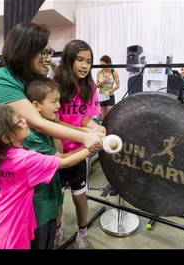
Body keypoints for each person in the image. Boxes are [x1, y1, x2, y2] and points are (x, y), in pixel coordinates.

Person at [0, 22, 104, 249]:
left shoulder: (33, 80)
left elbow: (54, 121)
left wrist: (88, 130)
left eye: (50, 52)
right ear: (25, 50)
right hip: (18, 183)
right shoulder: (1, 79)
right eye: (44, 52)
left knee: (45, 229)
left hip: (43, 169)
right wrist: (86, 140)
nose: (48, 58)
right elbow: (39, 122)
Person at [0, 104, 97, 249]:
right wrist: (91, 147)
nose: (25, 120)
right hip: (13, 235)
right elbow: (64, 162)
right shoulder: (24, 160)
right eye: (19, 120)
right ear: (6, 138)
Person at [54, 39, 105, 249]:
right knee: (57, 197)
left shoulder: (90, 87)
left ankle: (82, 232)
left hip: (79, 153)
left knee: (79, 196)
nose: (85, 65)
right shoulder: (54, 83)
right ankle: (57, 230)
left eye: (89, 61)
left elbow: (85, 119)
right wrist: (86, 133)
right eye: (80, 60)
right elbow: (54, 122)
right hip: (57, 151)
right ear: (68, 60)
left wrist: (96, 128)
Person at [24, 77, 72, 249]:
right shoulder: (31, 136)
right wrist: (91, 147)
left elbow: (60, 148)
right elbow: (61, 159)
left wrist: (52, 128)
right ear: (36, 105)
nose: (59, 106)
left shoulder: (44, 130)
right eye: (54, 101)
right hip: (39, 209)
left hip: (50, 198)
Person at [96, 55, 120, 122]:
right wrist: (103, 81)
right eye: (100, 65)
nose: (102, 67)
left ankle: (108, 131)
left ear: (109, 63)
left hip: (110, 96)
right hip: (101, 96)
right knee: (101, 118)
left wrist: (110, 91)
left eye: (103, 65)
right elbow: (97, 86)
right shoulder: (99, 72)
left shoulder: (113, 72)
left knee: (108, 117)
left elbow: (118, 85)